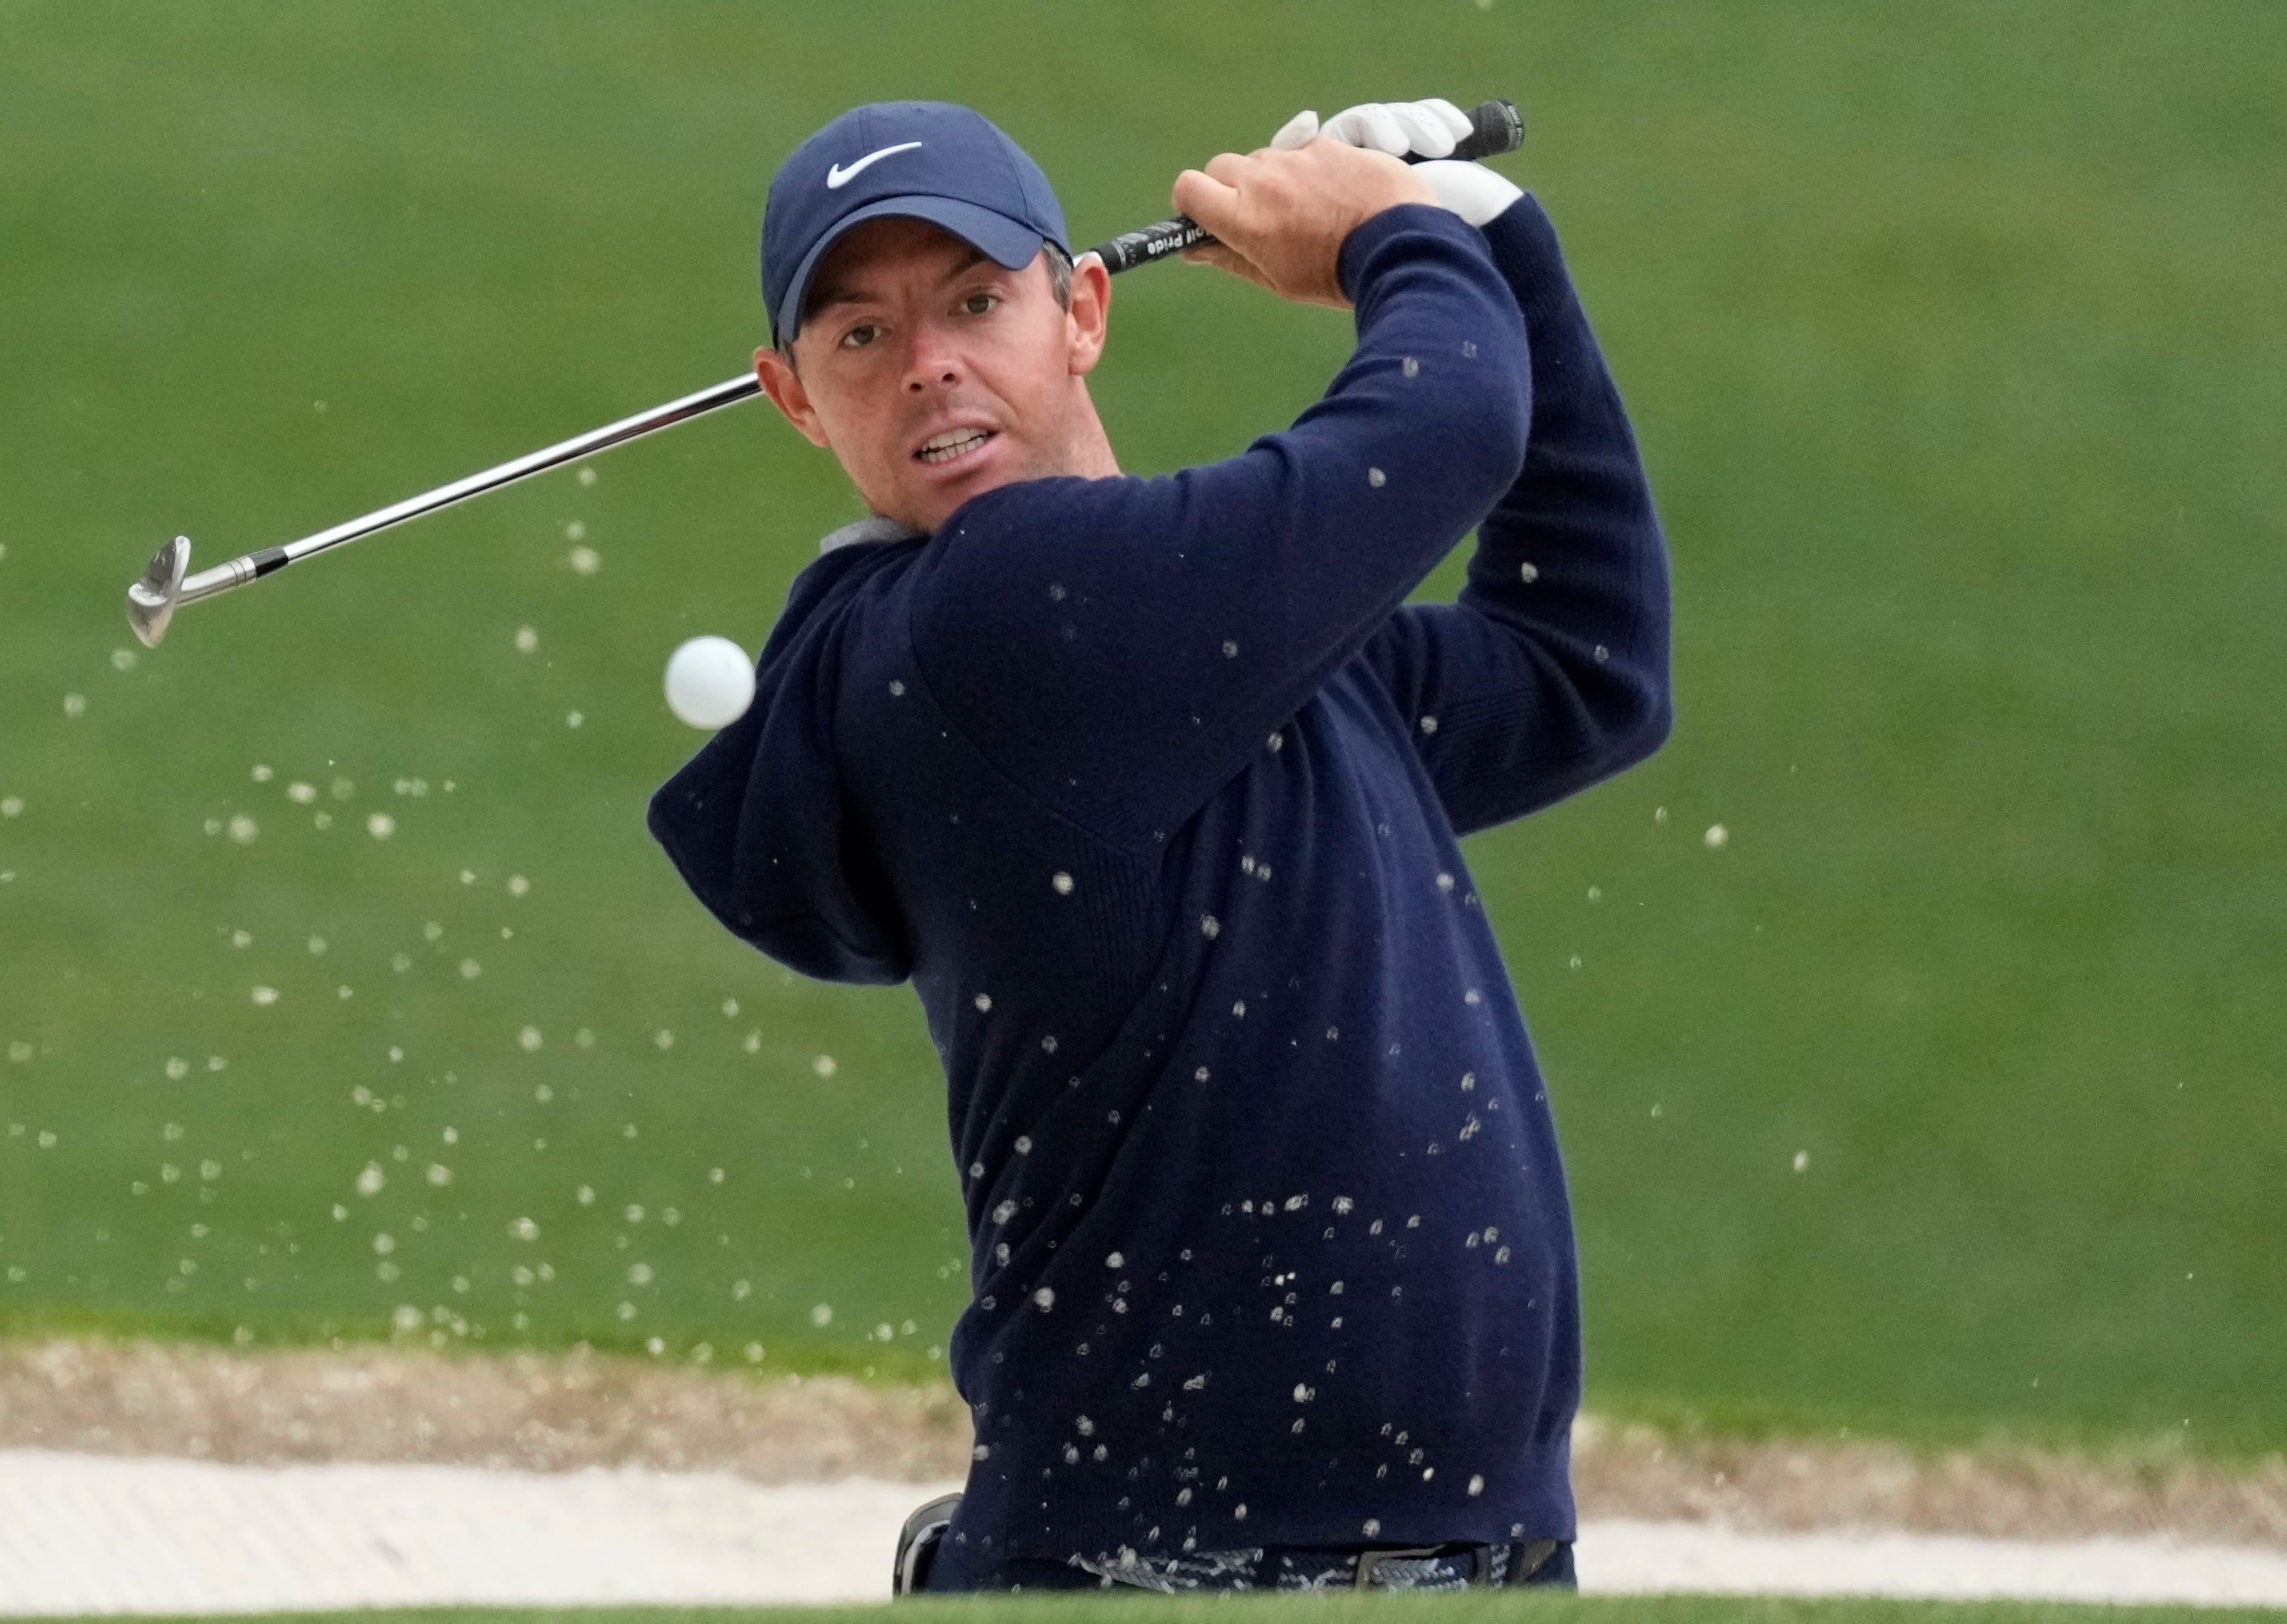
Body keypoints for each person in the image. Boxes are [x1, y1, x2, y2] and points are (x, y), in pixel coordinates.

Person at [649, 96, 1672, 1594]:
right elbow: (1443, 427)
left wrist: (1496, 236)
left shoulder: (1198, 654)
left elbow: (1584, 661)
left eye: (976, 302)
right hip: (1186, 1565)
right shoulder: (993, 621)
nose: (929, 359)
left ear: (1083, 312)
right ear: (793, 397)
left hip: (1421, 1551)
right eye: (859, 336)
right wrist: (1391, 234)